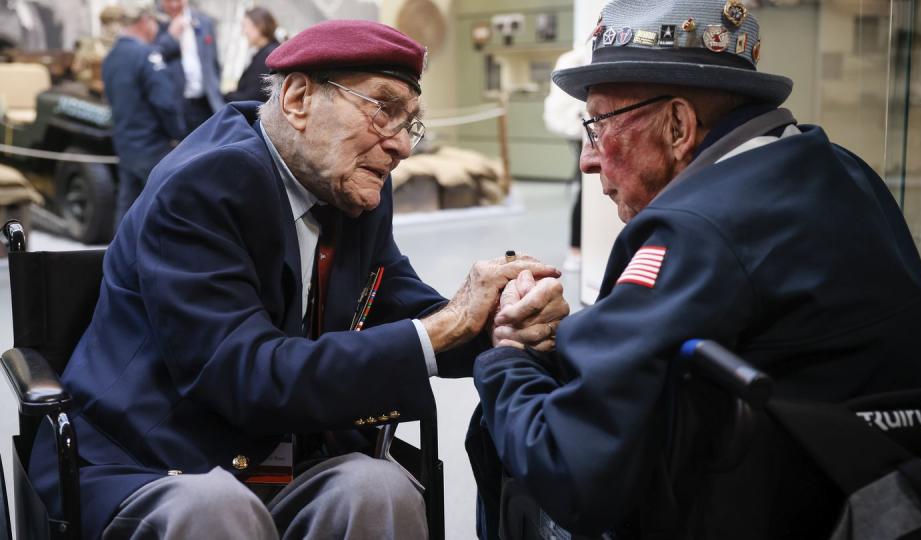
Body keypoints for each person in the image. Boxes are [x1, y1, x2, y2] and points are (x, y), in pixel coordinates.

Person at [29, 20, 568, 540]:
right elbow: (245, 375)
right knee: (217, 509)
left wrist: (504, 324)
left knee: (380, 490)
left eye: (411, 123)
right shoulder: (205, 184)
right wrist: (448, 325)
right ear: (298, 100)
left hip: (281, 459)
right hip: (154, 461)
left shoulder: (348, 191)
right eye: (385, 110)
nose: (403, 146)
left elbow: (401, 308)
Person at [470, 0, 921, 538]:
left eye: (597, 125)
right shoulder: (843, 170)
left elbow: (572, 470)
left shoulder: (695, 230)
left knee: (497, 428)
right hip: (873, 501)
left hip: (755, 511)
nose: (587, 158)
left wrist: (507, 357)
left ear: (678, 126)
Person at [101, 5, 185, 231]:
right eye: (155, 22)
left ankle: (117, 261)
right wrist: (179, 135)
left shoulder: (111, 57)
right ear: (144, 21)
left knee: (127, 207)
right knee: (170, 206)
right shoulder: (146, 54)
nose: (157, 28)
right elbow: (165, 103)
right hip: (153, 146)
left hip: (126, 144)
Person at [542, 46, 588, 271]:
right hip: (585, 131)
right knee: (585, 190)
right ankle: (575, 248)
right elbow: (558, 108)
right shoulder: (574, 58)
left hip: (590, 129)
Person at [154, 0, 224, 132]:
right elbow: (153, 56)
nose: (174, 5)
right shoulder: (155, 24)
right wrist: (170, 37)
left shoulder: (204, 22)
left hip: (206, 103)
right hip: (177, 105)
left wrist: (215, 89)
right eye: (169, 1)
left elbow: (214, 62)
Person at [224, 7, 279, 103]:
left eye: (245, 26)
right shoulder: (269, 51)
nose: (243, 32)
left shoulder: (268, 56)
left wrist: (226, 96)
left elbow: (252, 97)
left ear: (259, 26)